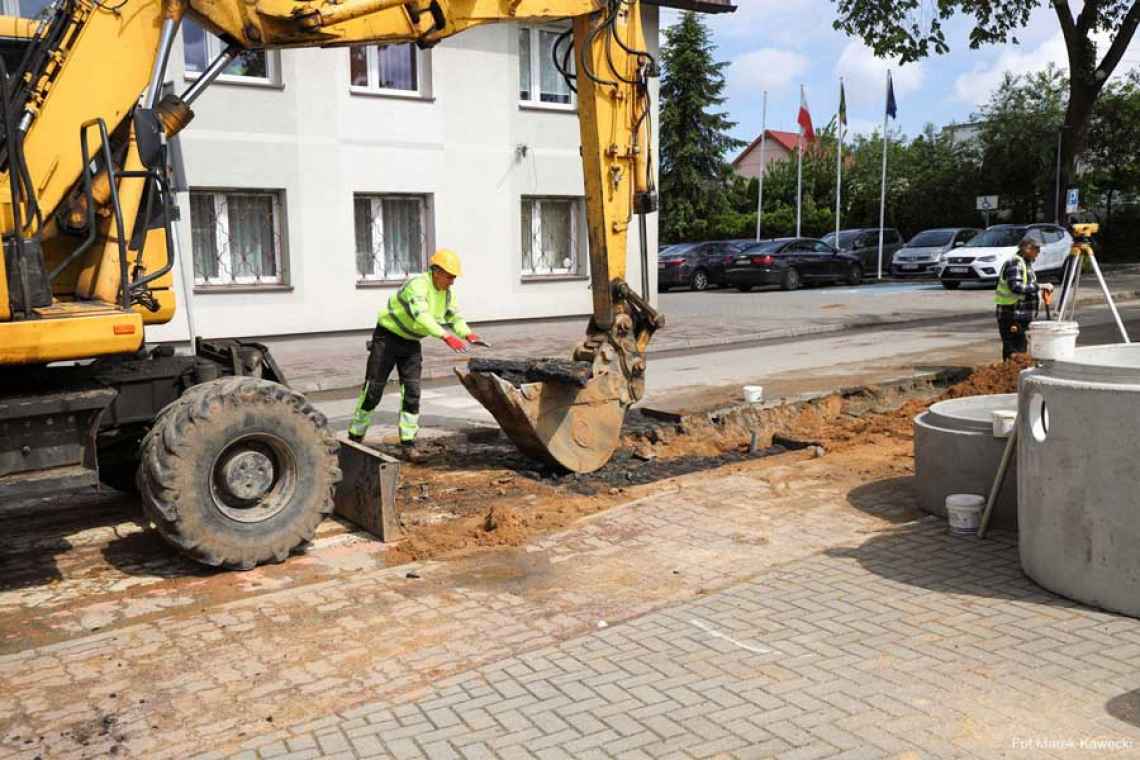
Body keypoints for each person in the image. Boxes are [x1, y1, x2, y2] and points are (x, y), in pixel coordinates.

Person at [348, 249, 486, 452]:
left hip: (411, 343)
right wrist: (446, 336)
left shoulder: (447, 294)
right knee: (373, 390)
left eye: (454, 277)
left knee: (412, 392)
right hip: (387, 339)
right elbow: (421, 316)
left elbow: (454, 318)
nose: (452, 282)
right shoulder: (418, 285)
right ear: (436, 271)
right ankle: (354, 438)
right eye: (449, 276)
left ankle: (408, 443)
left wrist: (468, 334)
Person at [994, 238, 1053, 361]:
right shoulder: (1015, 263)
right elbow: (1016, 287)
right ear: (1027, 249)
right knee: (1015, 353)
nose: (1039, 252)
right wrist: (1039, 286)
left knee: (1019, 350)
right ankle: (1011, 376)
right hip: (1013, 315)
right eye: (1036, 249)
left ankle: (1013, 375)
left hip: (1022, 316)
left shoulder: (1025, 264)